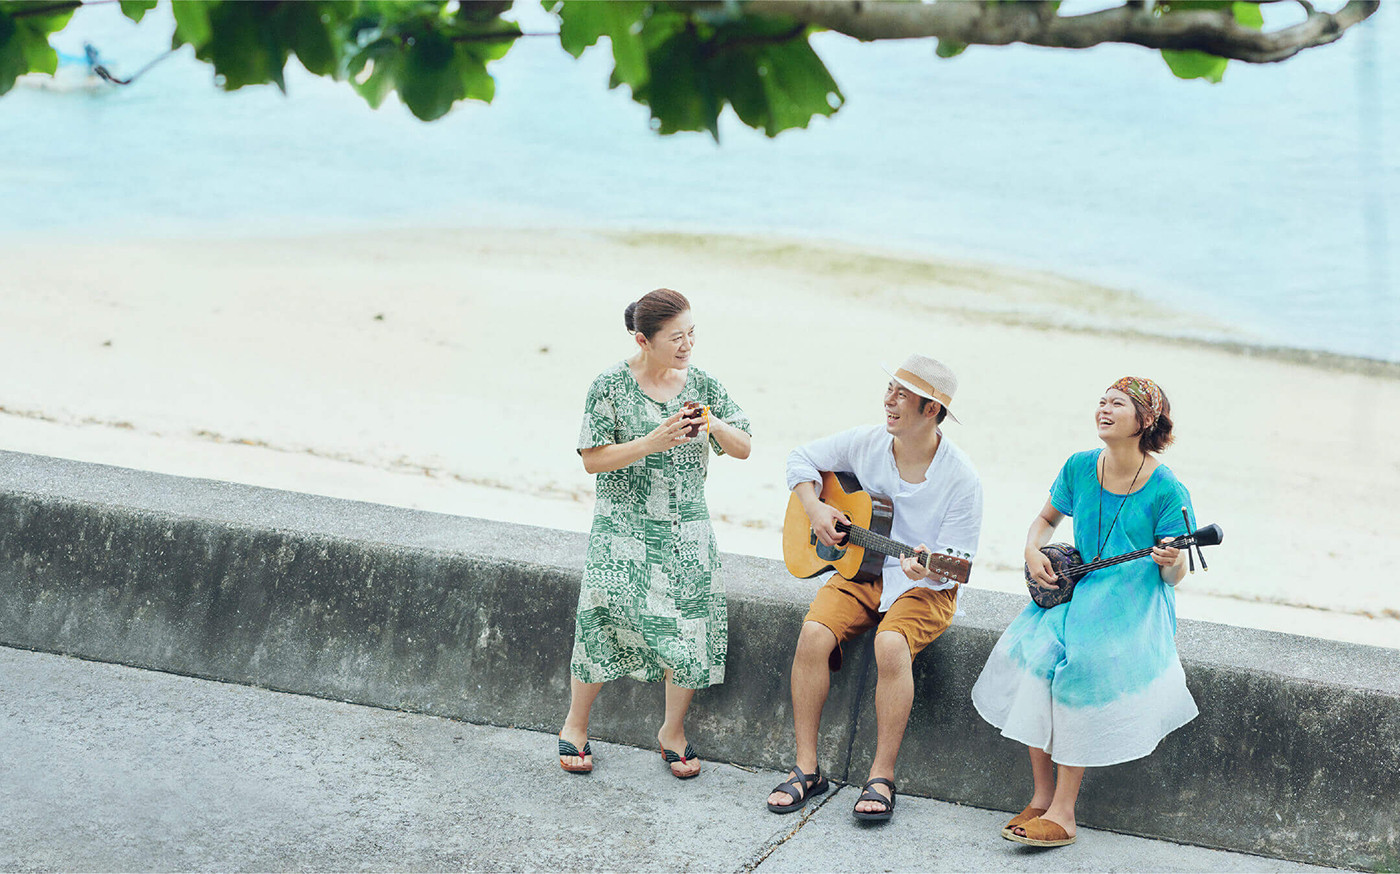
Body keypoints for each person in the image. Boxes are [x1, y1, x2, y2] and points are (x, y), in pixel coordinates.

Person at [971, 376, 1197, 848]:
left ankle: (1065, 813)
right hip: (1080, 589)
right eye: (1102, 401)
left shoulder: (1167, 488)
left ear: (1145, 421)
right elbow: (1045, 519)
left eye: (1118, 404)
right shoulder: (1078, 466)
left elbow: (1174, 576)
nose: (1104, 409)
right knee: (1033, 660)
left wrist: (1171, 560)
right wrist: (1032, 550)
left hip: (1133, 602)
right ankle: (1041, 798)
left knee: (1081, 670)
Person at [766, 354, 983, 822]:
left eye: (902, 395)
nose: (889, 400)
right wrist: (816, 508)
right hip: (861, 571)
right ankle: (807, 768)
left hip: (927, 587)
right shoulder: (866, 442)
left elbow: (957, 564)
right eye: (890, 389)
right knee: (813, 635)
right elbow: (800, 458)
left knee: (890, 643)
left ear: (931, 410)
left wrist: (927, 570)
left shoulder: (962, 478)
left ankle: (881, 776)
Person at [559, 288, 752, 779]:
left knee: (688, 630)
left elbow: (745, 446)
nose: (687, 345)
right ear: (643, 340)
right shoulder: (610, 386)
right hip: (622, 527)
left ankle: (672, 732)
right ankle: (576, 724)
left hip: (687, 529)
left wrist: (713, 424)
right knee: (601, 620)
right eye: (675, 338)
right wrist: (652, 441)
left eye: (691, 334)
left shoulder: (702, 385)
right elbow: (592, 459)